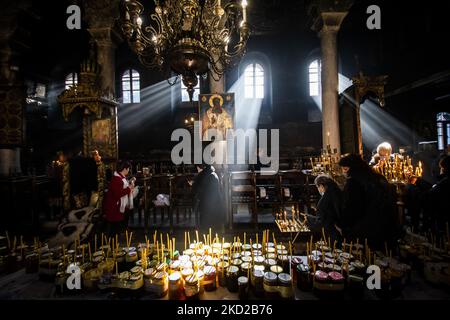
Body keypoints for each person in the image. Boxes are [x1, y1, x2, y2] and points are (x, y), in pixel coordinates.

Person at [339, 154, 399, 249]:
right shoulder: (379, 178)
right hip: (386, 226)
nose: (343, 172)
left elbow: (351, 208)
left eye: (345, 169)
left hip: (364, 228)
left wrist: (344, 226)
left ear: (354, 168)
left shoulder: (353, 183)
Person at [306, 175, 343, 245]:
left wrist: (309, 218)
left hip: (332, 231)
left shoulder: (326, 197)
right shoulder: (336, 191)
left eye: (317, 187)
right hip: (337, 228)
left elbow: (322, 220)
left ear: (321, 186)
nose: (318, 189)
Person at [190, 163, 225, 232]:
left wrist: (193, 184)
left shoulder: (203, 175)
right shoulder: (212, 172)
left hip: (207, 210)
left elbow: (197, 191)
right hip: (218, 209)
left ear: (198, 168)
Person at [103, 160, 135, 236]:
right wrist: (129, 188)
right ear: (124, 169)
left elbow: (122, 189)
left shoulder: (120, 177)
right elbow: (118, 194)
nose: (128, 171)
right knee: (113, 230)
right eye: (128, 169)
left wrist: (129, 186)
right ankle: (112, 246)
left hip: (117, 206)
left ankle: (114, 244)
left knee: (116, 229)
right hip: (114, 207)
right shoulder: (117, 179)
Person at [424, 155, 450, 233]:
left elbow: (430, 195)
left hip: (442, 219)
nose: (440, 170)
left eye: (441, 168)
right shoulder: (443, 182)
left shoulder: (444, 183)